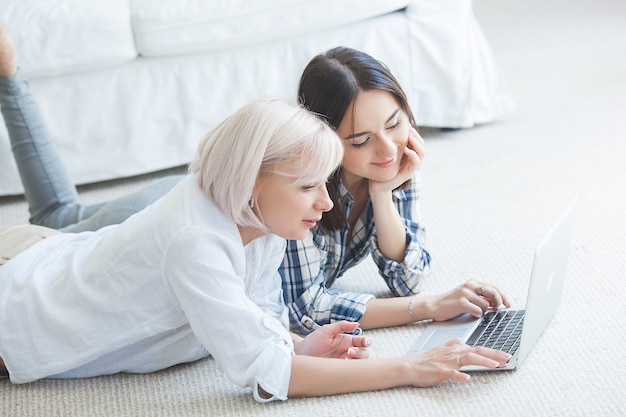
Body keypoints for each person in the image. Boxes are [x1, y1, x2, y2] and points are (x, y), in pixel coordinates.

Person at [0, 40, 513, 402]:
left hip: (54, 266)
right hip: (15, 320)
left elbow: (265, 318)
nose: (327, 202)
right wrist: (409, 368)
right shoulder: (197, 241)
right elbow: (265, 374)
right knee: (61, 217)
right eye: (310, 187)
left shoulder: (267, 220)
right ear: (253, 184)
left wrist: (298, 344)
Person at [281, 46, 510, 334]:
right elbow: (306, 310)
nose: (388, 149)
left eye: (394, 124)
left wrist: (382, 195)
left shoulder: (393, 164)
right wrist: (431, 306)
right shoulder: (298, 185)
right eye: (361, 140)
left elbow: (407, 280)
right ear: (323, 139)